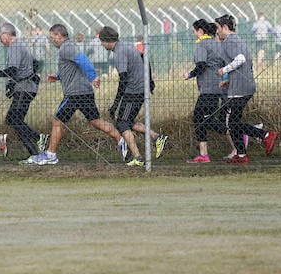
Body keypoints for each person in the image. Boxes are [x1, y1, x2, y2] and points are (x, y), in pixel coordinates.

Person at [29, 23, 126, 165]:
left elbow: (84, 60)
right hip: (85, 92)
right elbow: (72, 69)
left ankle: (50, 155)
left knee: (57, 121)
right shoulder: (67, 48)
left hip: (75, 94)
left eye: (52, 37)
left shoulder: (66, 48)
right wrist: (57, 76)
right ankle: (121, 139)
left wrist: (93, 76)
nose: (51, 40)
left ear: (59, 35)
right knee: (95, 121)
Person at [97, 26, 168, 166]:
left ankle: (138, 157)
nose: (101, 44)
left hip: (133, 91)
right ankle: (157, 138)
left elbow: (123, 80)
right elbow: (144, 58)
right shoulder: (127, 45)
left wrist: (115, 105)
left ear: (106, 41)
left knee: (122, 124)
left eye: (101, 42)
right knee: (128, 121)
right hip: (140, 89)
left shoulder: (119, 53)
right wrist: (150, 81)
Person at [214, 14, 278, 164]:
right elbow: (245, 64)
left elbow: (241, 59)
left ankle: (265, 136)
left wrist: (225, 70)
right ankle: (243, 154)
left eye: (217, 28)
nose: (217, 32)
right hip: (244, 85)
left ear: (224, 27)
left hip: (240, 89)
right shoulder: (238, 40)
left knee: (231, 123)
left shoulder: (229, 41)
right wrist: (230, 80)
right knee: (234, 122)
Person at [0, 22, 44, 162]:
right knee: (14, 119)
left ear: (7, 35)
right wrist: (12, 84)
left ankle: (36, 147)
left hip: (25, 88)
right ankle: (37, 145)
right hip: (25, 87)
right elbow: (35, 64)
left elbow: (12, 70)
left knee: (13, 119)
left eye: (0, 37)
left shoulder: (15, 47)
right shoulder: (20, 45)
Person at [184, 19, 225, 163]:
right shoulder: (216, 43)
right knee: (207, 119)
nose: (194, 34)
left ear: (200, 31)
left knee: (198, 118)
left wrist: (189, 74)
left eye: (194, 31)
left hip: (207, 88)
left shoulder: (201, 45)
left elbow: (200, 65)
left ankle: (235, 129)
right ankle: (236, 130)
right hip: (218, 86)